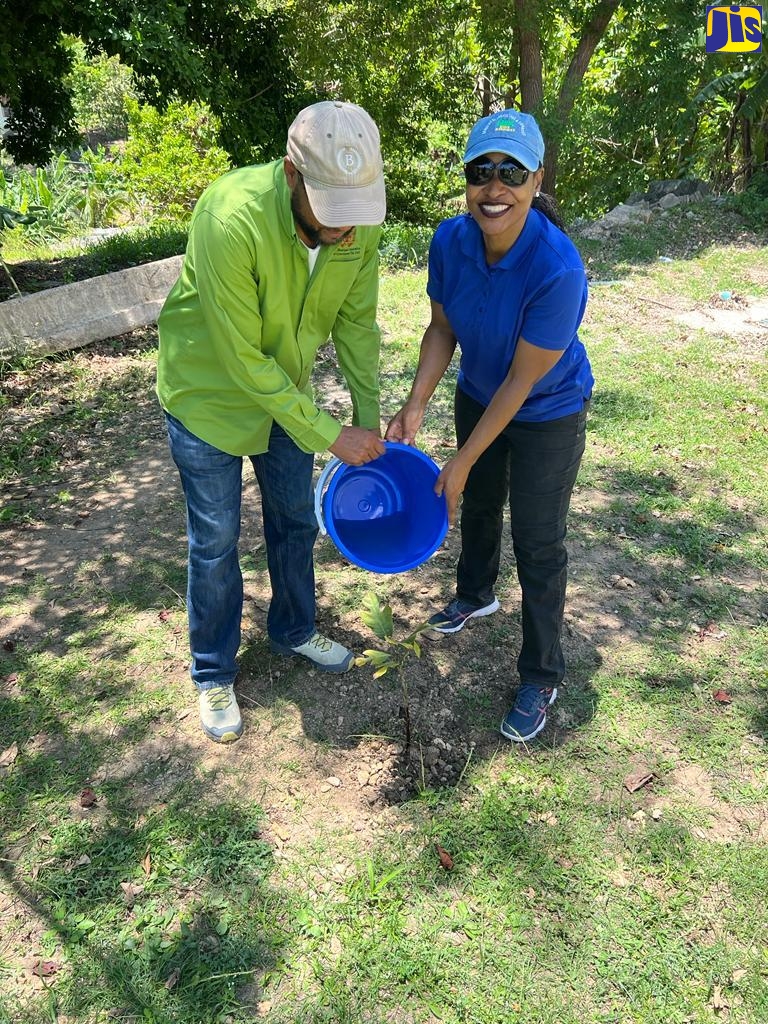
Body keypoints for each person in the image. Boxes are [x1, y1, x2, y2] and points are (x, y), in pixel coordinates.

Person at [157, 101, 387, 743]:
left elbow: (357, 326)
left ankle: (292, 629)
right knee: (216, 540)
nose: (345, 232)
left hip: (287, 396)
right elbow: (242, 358)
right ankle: (212, 671)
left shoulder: (358, 221)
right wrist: (331, 433)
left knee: (294, 520)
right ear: (292, 174)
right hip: (208, 397)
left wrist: (368, 428)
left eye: (355, 215)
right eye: (331, 215)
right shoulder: (230, 218)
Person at [386, 109, 593, 743]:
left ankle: (541, 673)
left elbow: (521, 384)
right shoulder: (450, 240)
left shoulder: (557, 270)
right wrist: (417, 403)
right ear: (467, 179)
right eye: (481, 171)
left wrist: (464, 456)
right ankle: (475, 594)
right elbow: (442, 328)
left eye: (511, 172)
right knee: (475, 504)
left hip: (546, 409)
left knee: (537, 541)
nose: (494, 187)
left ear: (536, 180)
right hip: (480, 392)